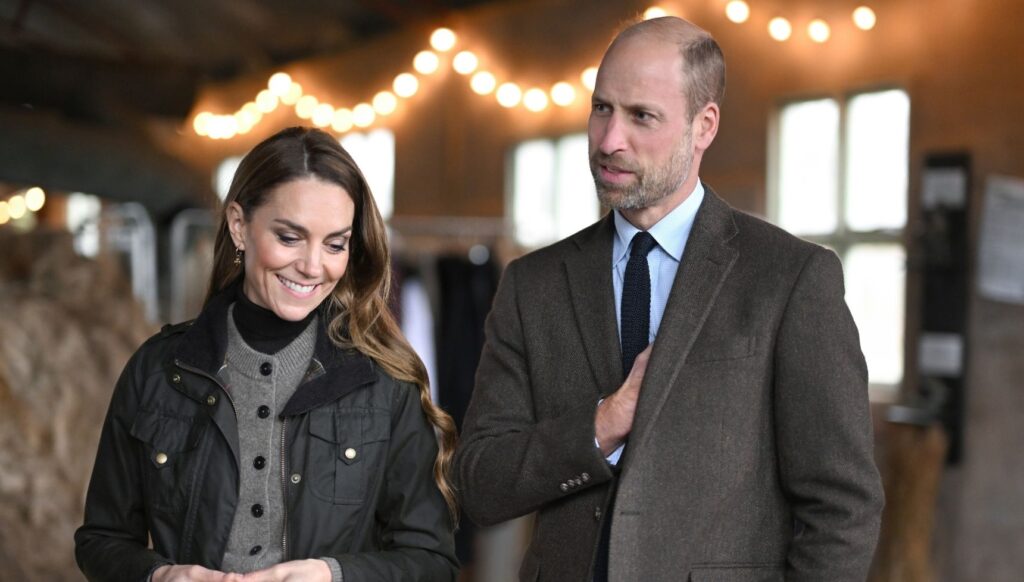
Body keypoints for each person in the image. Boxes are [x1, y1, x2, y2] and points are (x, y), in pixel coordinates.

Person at [454, 16, 884, 581]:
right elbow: (480, 483)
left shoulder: (791, 278)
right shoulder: (532, 284)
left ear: (703, 126)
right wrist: (601, 425)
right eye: (602, 108)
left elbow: (843, 506)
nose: (609, 141)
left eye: (642, 117)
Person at [75, 127, 459, 582]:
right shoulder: (157, 369)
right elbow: (101, 541)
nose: (314, 266)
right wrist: (158, 576)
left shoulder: (385, 384)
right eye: (290, 237)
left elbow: (431, 561)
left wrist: (331, 575)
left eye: (335, 244)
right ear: (239, 225)